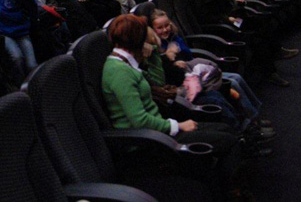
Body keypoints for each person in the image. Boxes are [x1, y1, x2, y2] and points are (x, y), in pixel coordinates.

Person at [102, 14, 242, 198]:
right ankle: (229, 194)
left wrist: (152, 52)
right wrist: (178, 125)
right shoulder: (119, 72)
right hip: (147, 142)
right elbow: (139, 120)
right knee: (229, 141)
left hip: (158, 129)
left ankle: (219, 187)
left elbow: (158, 81)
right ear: (138, 41)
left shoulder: (127, 63)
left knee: (225, 129)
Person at [149, 9, 271, 135]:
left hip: (195, 71)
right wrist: (171, 57)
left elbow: (189, 55)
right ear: (152, 30)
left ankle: (255, 115)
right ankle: (251, 120)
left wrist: (179, 54)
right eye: (160, 28)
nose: (165, 30)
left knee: (237, 77)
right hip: (188, 79)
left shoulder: (174, 37)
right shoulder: (158, 50)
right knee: (232, 82)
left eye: (167, 25)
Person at [190, 0, 298, 87]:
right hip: (220, 28)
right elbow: (204, 16)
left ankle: (275, 54)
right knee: (257, 38)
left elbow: (221, 6)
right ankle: (270, 71)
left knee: (262, 22)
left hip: (229, 21)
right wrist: (227, 19)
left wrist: (235, 3)